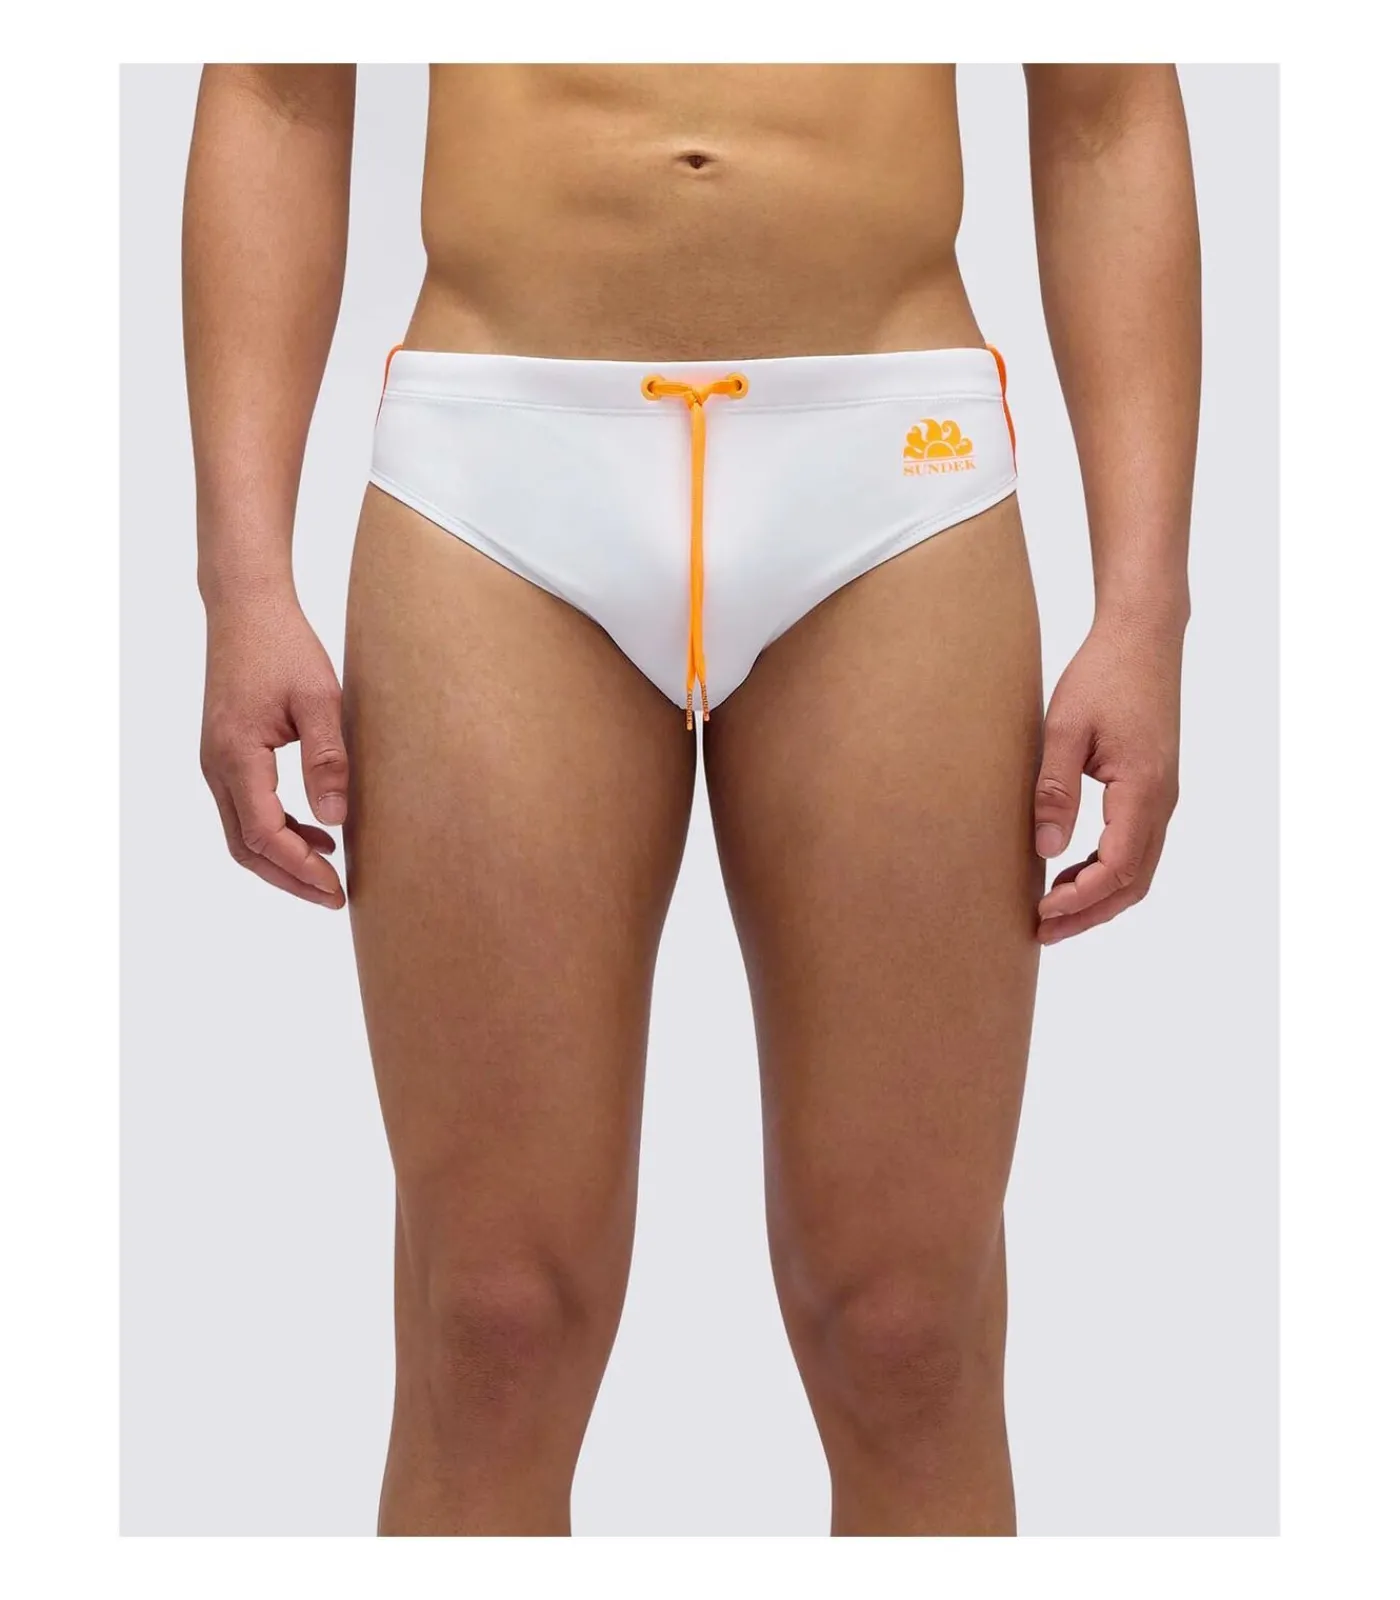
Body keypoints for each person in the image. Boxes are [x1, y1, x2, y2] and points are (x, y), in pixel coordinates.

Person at [183, 64, 1198, 1536]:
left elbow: (1108, 106)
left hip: (891, 467)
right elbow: (276, 88)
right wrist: (242, 580)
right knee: (493, 1321)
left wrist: (1146, 608)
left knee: (906, 1328)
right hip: (496, 464)